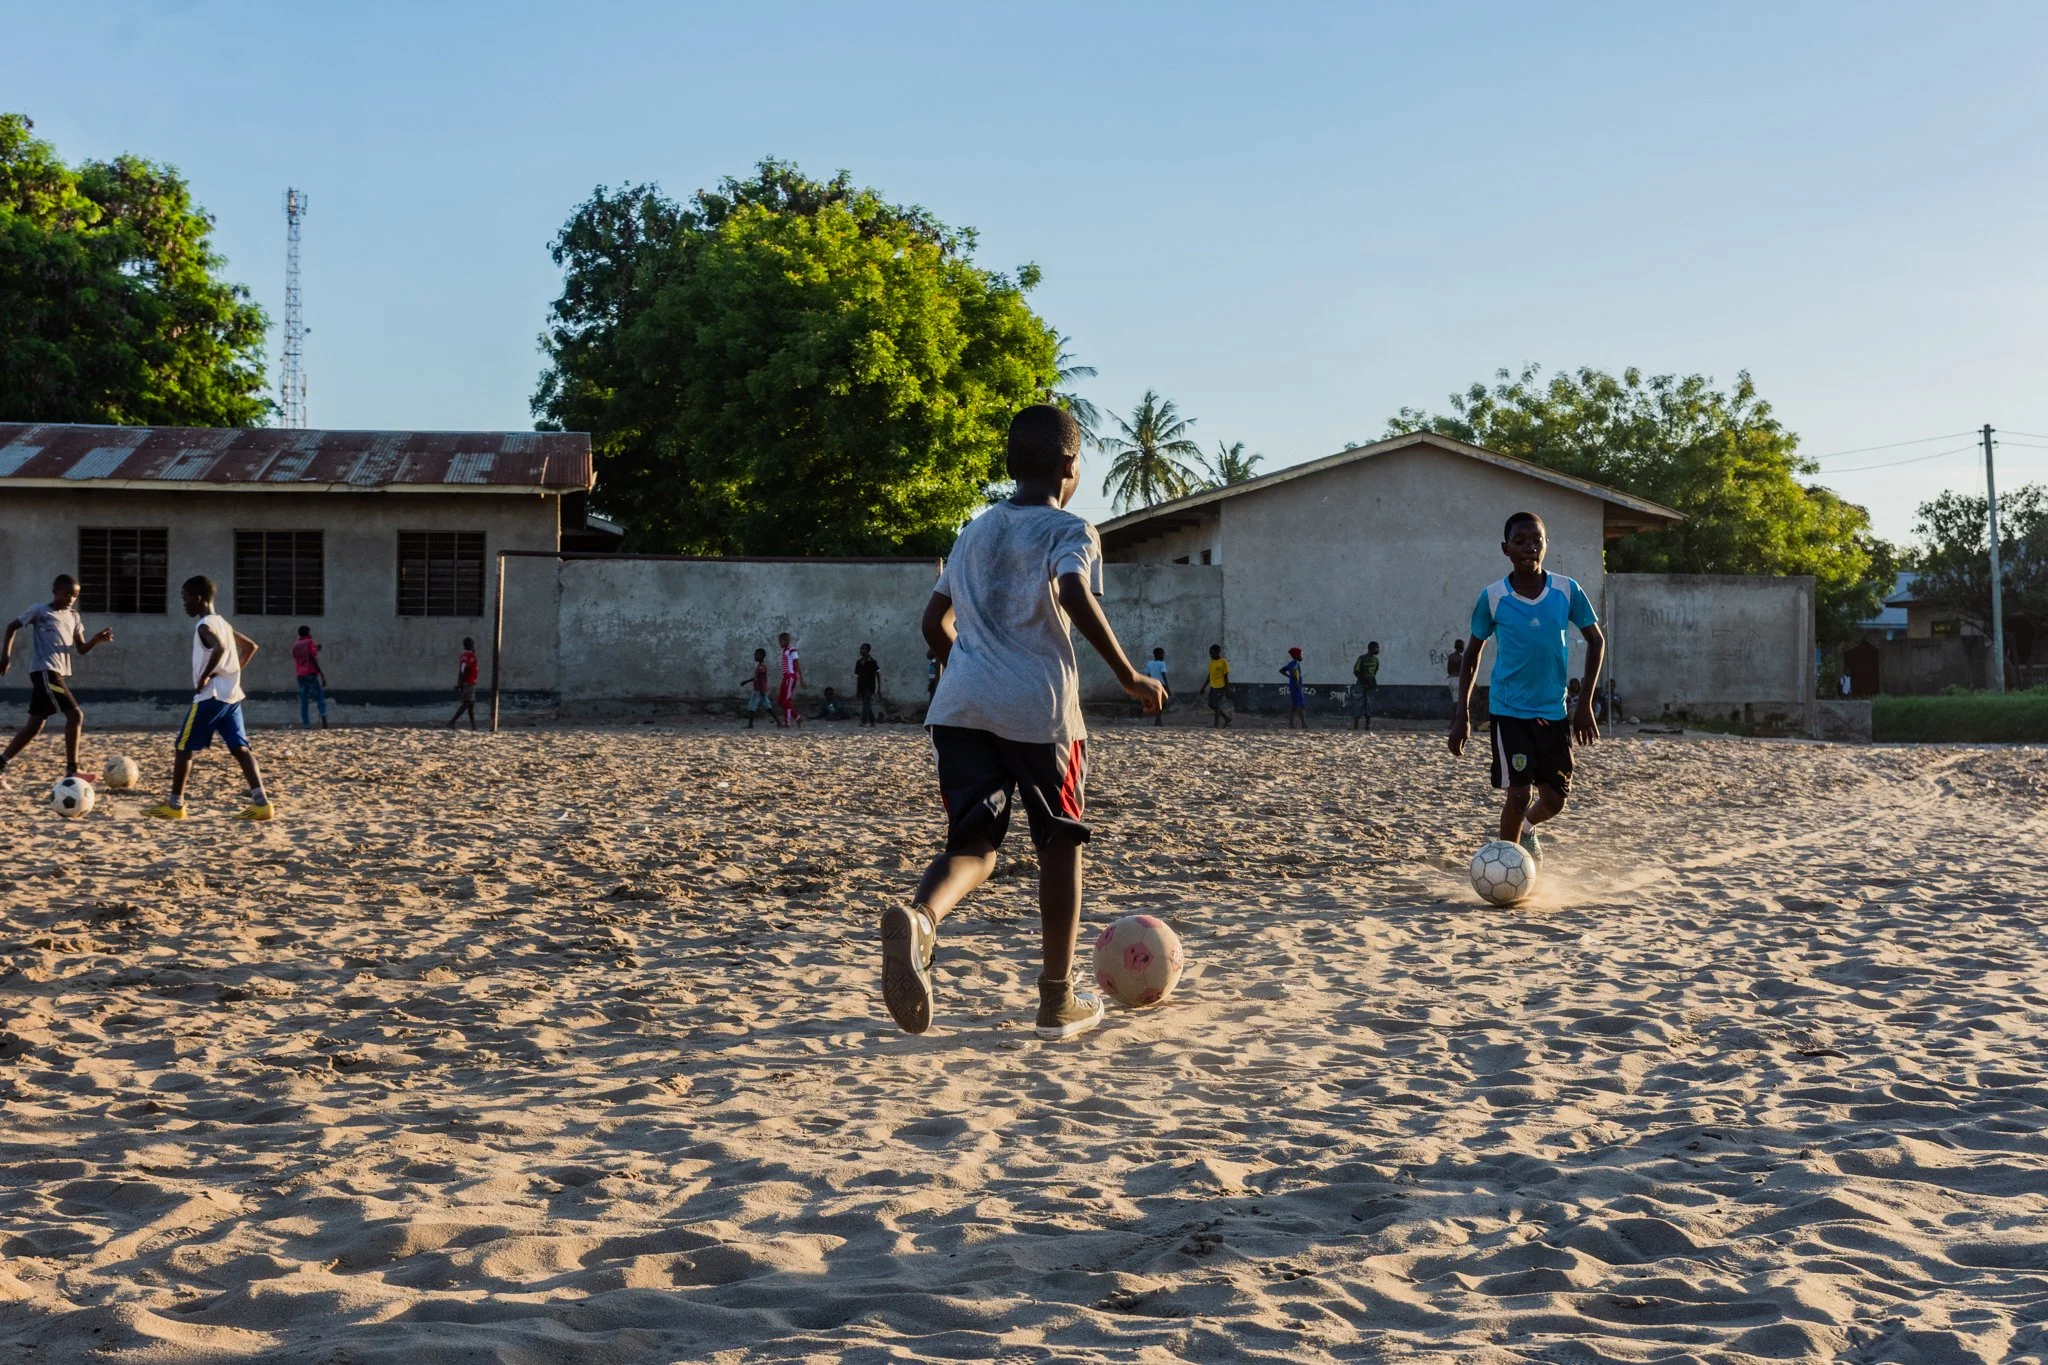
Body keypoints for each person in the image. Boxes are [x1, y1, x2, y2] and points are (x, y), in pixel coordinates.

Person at [881, 404, 1165, 1042]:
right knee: (1060, 845)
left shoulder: (974, 532)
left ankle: (923, 918)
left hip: (959, 708)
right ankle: (1056, 1000)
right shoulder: (1072, 529)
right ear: (1071, 466)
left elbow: (935, 625)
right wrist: (1127, 675)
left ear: (1010, 466)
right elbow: (1070, 591)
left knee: (972, 848)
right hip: (1039, 712)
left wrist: (973, 672)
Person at [1448, 512, 1603, 867]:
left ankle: (1529, 830)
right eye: (1521, 542)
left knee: (1555, 800)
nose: (1531, 548)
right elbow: (1472, 654)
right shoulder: (1493, 597)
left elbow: (1596, 641)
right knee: (1518, 794)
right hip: (1509, 712)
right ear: (1506, 549)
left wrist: (1585, 706)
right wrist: (1463, 715)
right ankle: (1508, 867)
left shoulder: (1567, 590)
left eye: (1538, 541)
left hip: (1554, 711)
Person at [144, 576, 273, 821]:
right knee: (241, 748)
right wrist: (231, 673)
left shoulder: (204, 625)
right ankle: (262, 803)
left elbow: (221, 649)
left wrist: (205, 677)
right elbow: (250, 647)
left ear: (198, 598)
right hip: (231, 697)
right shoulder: (223, 623)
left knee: (183, 747)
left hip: (210, 696)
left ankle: (175, 805)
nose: (183, 604)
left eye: (185, 599)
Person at [0, 574, 113, 784]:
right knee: (76, 715)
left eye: (76, 595)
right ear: (55, 591)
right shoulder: (40, 611)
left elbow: (80, 649)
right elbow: (11, 627)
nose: (71, 599)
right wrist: (5, 656)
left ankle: (0, 763)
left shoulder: (74, 617)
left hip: (57, 674)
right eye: (67, 594)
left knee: (34, 726)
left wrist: (95, 641)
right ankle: (72, 770)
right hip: (45, 672)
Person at [292, 625, 329, 729]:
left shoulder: (296, 644)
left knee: (304, 701)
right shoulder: (309, 642)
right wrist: (321, 673)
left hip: (300, 675)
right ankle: (324, 717)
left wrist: (316, 649)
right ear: (307, 633)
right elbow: (312, 657)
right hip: (310, 673)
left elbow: (301, 655)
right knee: (320, 697)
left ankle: (306, 724)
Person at [449, 637, 480, 730]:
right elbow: (466, 670)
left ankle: (474, 726)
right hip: (469, 682)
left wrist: (459, 683)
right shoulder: (471, 657)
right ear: (472, 645)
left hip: (467, 682)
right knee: (468, 703)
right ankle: (452, 721)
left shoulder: (464, 656)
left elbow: (461, 670)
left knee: (471, 704)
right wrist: (460, 684)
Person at [1200, 644, 1232, 727]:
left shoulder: (1223, 662)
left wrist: (1227, 689)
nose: (1210, 655)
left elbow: (1226, 676)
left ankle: (1216, 724)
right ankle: (1226, 718)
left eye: (1212, 653)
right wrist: (1203, 687)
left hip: (1220, 686)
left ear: (1217, 652)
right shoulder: (1211, 662)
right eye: (1210, 653)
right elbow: (1209, 675)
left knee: (1215, 704)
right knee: (1211, 704)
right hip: (1213, 686)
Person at [1352, 640, 1381, 731]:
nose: (1378, 649)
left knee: (1369, 704)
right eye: (1376, 647)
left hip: (1371, 683)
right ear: (1370, 648)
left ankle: (1367, 726)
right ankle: (1356, 725)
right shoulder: (1362, 658)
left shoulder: (1376, 660)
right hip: (1361, 683)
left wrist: (1370, 682)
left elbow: (1375, 671)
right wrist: (1363, 682)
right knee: (1359, 703)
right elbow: (1356, 671)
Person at [778, 632, 803, 728]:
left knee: (786, 700)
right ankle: (797, 717)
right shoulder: (785, 650)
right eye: (779, 642)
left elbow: (797, 663)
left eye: (782, 641)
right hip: (786, 677)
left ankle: (787, 723)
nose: (780, 643)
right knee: (781, 701)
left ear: (787, 641)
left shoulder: (792, 650)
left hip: (790, 676)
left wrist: (801, 679)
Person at [744, 648, 774, 728]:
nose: (755, 656)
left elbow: (757, 678)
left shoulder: (761, 667)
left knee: (752, 705)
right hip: (763, 689)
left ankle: (750, 725)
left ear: (762, 656)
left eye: (757, 655)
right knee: (767, 706)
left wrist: (746, 681)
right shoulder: (761, 666)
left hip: (758, 689)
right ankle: (778, 722)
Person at [1281, 647, 1308, 729]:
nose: (1302, 656)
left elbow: (1282, 670)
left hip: (1292, 686)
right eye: (1301, 654)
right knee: (1301, 705)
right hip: (1296, 686)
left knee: (1294, 705)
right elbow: (1294, 670)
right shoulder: (1295, 663)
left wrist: (1289, 677)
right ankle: (1304, 724)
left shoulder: (1291, 663)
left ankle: (1291, 724)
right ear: (1297, 655)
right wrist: (1296, 680)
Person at [855, 643, 882, 726]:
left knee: (866, 703)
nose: (861, 651)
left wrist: (879, 688)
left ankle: (863, 721)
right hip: (861, 686)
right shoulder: (859, 662)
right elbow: (858, 676)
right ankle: (872, 720)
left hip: (869, 686)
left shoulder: (872, 662)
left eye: (863, 649)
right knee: (866, 703)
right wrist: (857, 689)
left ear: (868, 650)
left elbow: (878, 675)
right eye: (861, 649)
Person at [1143, 647, 1170, 726]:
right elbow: (1163, 675)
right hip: (1161, 685)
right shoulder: (1162, 663)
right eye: (1163, 655)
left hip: (1152, 685)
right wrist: (1167, 687)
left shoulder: (1149, 663)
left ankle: (1157, 719)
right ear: (1161, 655)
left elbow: (1148, 674)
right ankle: (1158, 719)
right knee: (1162, 702)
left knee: (1156, 701)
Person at [1445, 638, 1466, 710]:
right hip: (1457, 680)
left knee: (1454, 699)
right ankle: (1454, 718)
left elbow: (1448, 670)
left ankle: (1455, 717)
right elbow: (1463, 671)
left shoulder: (1450, 656)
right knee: (1457, 701)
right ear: (1461, 647)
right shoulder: (1461, 658)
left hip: (1450, 680)